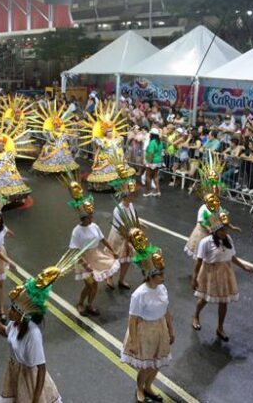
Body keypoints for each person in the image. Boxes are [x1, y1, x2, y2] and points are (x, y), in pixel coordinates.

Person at [0, 259, 82, 403]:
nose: (9, 311)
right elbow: (7, 333)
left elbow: (41, 369)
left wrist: (36, 399)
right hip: (15, 371)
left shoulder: (33, 334)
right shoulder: (16, 323)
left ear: (22, 313)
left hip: (29, 379)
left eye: (13, 309)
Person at [120, 231, 173, 403]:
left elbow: (166, 310)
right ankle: (139, 389)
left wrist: (171, 330)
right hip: (145, 332)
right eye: (160, 275)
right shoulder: (139, 295)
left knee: (156, 363)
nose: (163, 277)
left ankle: (149, 386)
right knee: (146, 365)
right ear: (150, 275)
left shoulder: (162, 289)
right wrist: (134, 341)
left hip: (160, 329)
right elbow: (133, 320)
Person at [191, 210, 253, 341]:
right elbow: (199, 262)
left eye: (225, 230)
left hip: (225, 273)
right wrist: (194, 278)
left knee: (224, 302)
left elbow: (232, 256)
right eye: (222, 231)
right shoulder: (206, 242)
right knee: (204, 299)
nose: (224, 233)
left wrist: (244, 267)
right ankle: (196, 315)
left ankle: (220, 327)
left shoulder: (228, 239)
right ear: (214, 231)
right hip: (210, 273)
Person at [64, 178, 120, 316]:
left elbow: (103, 240)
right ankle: (81, 303)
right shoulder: (77, 231)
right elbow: (74, 251)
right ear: (83, 217)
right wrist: (85, 264)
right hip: (83, 260)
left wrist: (113, 251)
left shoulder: (94, 226)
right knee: (90, 284)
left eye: (92, 215)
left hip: (96, 257)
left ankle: (90, 304)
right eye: (89, 216)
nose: (92, 217)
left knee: (94, 285)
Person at [106, 171, 138, 289]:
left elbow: (133, 219)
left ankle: (121, 279)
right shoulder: (118, 209)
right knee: (115, 259)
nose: (133, 196)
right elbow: (121, 226)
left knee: (127, 260)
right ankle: (109, 277)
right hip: (119, 236)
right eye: (131, 194)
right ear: (125, 195)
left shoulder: (131, 206)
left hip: (128, 237)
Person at [143, 128, 164, 197]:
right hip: (158, 161)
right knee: (155, 176)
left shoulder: (152, 142)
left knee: (148, 176)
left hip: (152, 161)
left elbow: (151, 153)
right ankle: (158, 191)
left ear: (152, 135)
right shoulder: (159, 141)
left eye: (150, 134)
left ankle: (147, 192)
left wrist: (148, 162)